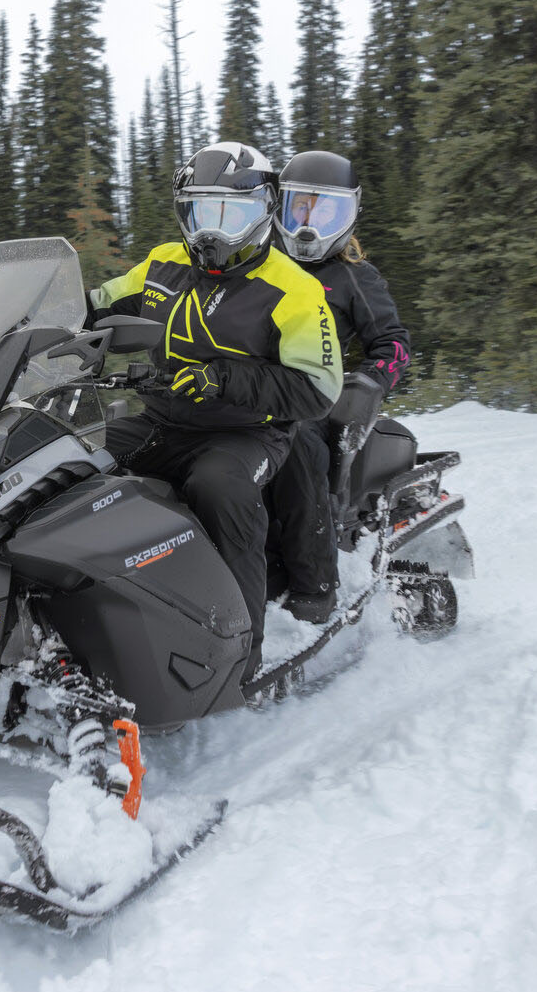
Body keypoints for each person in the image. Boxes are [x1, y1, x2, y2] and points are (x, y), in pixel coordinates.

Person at [88, 142, 345, 676]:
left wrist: (224, 378)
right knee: (73, 461)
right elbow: (99, 303)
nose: (214, 232)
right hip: (161, 419)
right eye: (203, 212)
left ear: (264, 212)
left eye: (234, 214)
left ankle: (240, 649)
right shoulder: (163, 263)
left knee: (219, 488)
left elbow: (318, 388)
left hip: (247, 433)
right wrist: (36, 327)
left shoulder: (293, 290)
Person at [266, 150, 412, 623]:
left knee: (299, 449)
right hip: (247, 389)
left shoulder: (352, 276)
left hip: (314, 398)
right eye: (298, 208)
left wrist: (369, 383)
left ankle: (314, 581)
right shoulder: (258, 263)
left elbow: (393, 342)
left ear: (346, 214)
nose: (308, 221)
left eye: (322, 209)